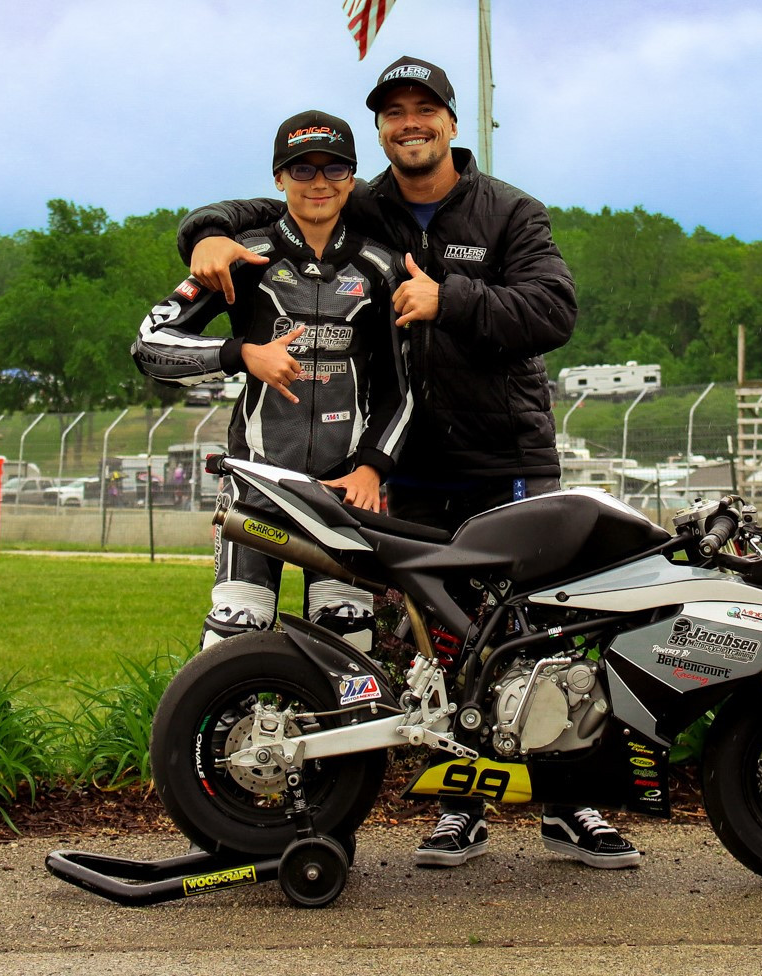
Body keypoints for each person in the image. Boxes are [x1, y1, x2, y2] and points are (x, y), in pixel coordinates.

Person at [177, 57, 641, 870]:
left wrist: (449, 298)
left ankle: (572, 803)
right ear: (382, 134)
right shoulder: (364, 205)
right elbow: (264, 205)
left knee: (536, 634)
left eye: (424, 109)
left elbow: (553, 311)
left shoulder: (508, 212)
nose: (409, 123)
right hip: (404, 465)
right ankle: (461, 801)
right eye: (393, 113)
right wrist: (203, 236)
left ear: (452, 124)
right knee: (444, 643)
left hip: (507, 456)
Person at [133, 109, 411, 653]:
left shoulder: (381, 267)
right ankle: (224, 739)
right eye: (301, 171)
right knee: (235, 632)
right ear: (279, 179)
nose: (318, 184)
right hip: (256, 483)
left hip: (343, 489)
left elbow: (403, 388)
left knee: (346, 640)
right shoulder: (241, 255)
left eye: (333, 170)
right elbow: (149, 346)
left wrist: (374, 470)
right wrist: (242, 355)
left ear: (351, 179)